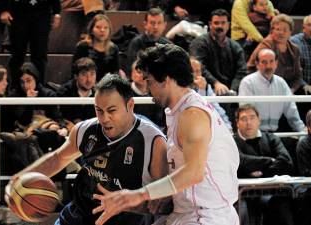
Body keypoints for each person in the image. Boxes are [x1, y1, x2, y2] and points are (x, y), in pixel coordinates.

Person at [92, 44, 240, 225]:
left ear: (166, 80)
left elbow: (194, 173)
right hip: (189, 212)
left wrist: (137, 195)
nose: (147, 88)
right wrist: (164, 193)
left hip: (206, 216)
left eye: (150, 81)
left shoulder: (192, 115)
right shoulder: (179, 111)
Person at [6, 74, 169, 225]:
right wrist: (21, 177)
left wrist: (125, 204)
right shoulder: (85, 130)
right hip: (79, 213)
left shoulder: (153, 141)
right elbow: (58, 158)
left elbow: (162, 203)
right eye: (99, 110)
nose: (104, 118)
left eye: (112, 110)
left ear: (130, 105)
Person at [234, 104, 294, 225]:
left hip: (273, 190)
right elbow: (240, 161)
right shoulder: (232, 141)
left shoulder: (271, 138)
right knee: (241, 211)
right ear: (237, 123)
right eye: (244, 119)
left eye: (252, 118)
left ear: (259, 120)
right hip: (242, 192)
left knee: (283, 207)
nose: (249, 122)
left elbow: (286, 161)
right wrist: (270, 161)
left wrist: (260, 172)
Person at [239, 48, 305, 132]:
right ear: (257, 64)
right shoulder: (247, 82)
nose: (268, 66)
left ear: (276, 63)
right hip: (254, 134)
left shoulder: (281, 83)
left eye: (271, 61)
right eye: (264, 62)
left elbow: (292, 111)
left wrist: (302, 131)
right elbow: (247, 112)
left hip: (274, 134)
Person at [0, 0, 61, 89]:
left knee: (40, 54)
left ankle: (39, 89)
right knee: (17, 55)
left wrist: (57, 11)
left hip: (42, 12)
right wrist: (4, 9)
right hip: (18, 11)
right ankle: (15, 89)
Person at [189, 9, 247, 95]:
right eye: (216, 23)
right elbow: (198, 67)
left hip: (230, 92)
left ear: (228, 25)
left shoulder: (235, 46)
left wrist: (233, 89)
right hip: (204, 90)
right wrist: (215, 83)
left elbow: (241, 70)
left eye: (223, 23)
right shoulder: (199, 43)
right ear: (210, 25)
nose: (220, 26)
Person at [247, 14, 304, 94]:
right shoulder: (265, 46)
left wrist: (291, 90)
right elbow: (252, 70)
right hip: (265, 89)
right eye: (278, 29)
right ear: (272, 31)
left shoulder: (295, 49)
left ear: (290, 32)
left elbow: (298, 76)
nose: (281, 33)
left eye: (285, 30)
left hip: (289, 90)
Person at [190, 57, 233, 131]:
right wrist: (201, 90)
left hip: (210, 128)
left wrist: (228, 127)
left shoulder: (207, 87)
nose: (195, 75)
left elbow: (217, 109)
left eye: (198, 71)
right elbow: (197, 111)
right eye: (192, 71)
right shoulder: (182, 89)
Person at [73, 14, 119, 81]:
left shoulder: (113, 49)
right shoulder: (82, 47)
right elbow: (75, 71)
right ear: (91, 30)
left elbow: (115, 74)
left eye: (106, 28)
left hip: (105, 87)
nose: (102, 30)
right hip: (84, 84)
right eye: (98, 27)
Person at [126, 8, 171, 76]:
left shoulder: (168, 45)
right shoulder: (136, 43)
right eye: (152, 23)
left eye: (159, 23)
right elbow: (133, 68)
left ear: (164, 25)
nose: (156, 27)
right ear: (145, 24)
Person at [57, 57, 97, 124]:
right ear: (76, 76)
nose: (89, 80)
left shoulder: (100, 93)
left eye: (92, 74)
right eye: (84, 75)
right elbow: (61, 118)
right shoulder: (64, 92)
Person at [130, 60, 165, 129]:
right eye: (139, 72)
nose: (142, 75)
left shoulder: (156, 93)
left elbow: (159, 121)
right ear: (131, 74)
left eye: (145, 72)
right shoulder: (124, 92)